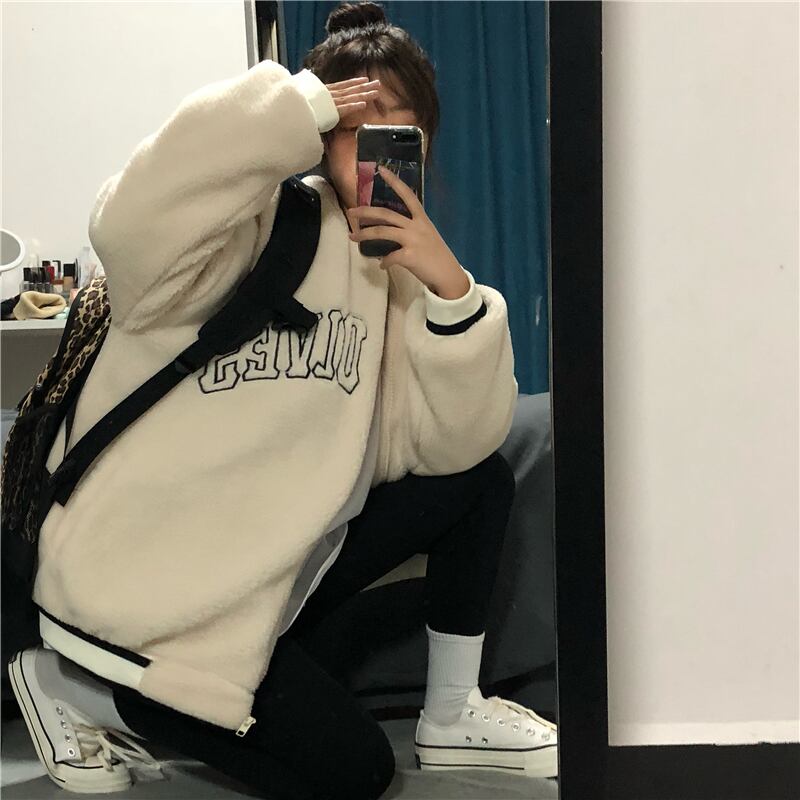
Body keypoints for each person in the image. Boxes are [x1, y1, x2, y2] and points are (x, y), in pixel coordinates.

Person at [8, 3, 557, 799]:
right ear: (317, 132)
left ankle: (451, 711)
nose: (375, 147)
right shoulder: (248, 226)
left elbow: (451, 449)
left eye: (399, 128)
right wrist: (293, 106)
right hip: (160, 582)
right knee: (356, 772)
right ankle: (77, 686)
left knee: (480, 480)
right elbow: (127, 226)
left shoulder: (400, 274)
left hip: (271, 566)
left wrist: (450, 289)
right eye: (354, 124)